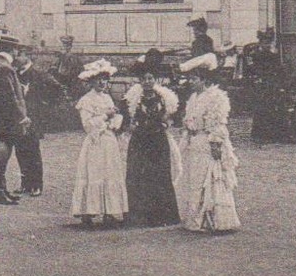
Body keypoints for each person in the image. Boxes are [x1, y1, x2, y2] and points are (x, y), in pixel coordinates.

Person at [178, 53, 239, 233]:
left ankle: (210, 219)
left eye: (194, 78)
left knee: (209, 178)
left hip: (207, 143)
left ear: (203, 79)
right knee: (194, 179)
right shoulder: (194, 98)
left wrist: (215, 144)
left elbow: (217, 123)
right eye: (190, 78)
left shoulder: (216, 97)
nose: (191, 82)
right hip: (194, 142)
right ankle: (194, 218)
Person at [124, 51, 181, 227]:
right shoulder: (133, 97)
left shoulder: (165, 97)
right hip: (140, 140)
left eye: (151, 78)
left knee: (159, 175)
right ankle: (139, 216)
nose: (147, 82)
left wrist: (167, 123)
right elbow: (125, 117)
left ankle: (162, 216)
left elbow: (173, 116)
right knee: (138, 175)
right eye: (144, 79)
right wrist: (130, 125)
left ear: (155, 80)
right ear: (140, 80)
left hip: (157, 140)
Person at [69, 59, 127, 228]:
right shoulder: (86, 100)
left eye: (105, 79)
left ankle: (110, 211)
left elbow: (114, 117)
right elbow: (87, 125)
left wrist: (116, 120)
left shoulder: (107, 97)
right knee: (94, 173)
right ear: (91, 82)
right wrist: (105, 117)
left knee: (110, 173)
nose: (102, 82)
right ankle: (89, 211)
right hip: (95, 142)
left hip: (109, 141)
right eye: (99, 79)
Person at [0, 42, 29, 205]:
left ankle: (1, 189)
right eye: (17, 49)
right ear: (13, 50)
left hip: (0, 116)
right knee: (3, 151)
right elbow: (10, 96)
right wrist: (22, 116)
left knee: (3, 150)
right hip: (7, 118)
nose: (18, 53)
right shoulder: (5, 67)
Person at [15, 50, 66, 198]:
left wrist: (44, 106)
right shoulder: (16, 74)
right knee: (20, 150)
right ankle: (25, 184)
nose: (16, 58)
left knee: (33, 151)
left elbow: (57, 89)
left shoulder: (38, 74)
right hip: (20, 119)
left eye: (19, 55)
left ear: (28, 57)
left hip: (34, 118)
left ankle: (36, 185)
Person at [242, 28, 289, 144]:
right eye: (265, 42)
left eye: (269, 42)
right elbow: (249, 71)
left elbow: (278, 70)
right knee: (261, 109)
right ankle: (260, 134)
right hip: (260, 85)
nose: (267, 44)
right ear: (260, 42)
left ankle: (273, 134)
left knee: (273, 109)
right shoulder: (254, 55)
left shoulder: (273, 55)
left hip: (271, 85)